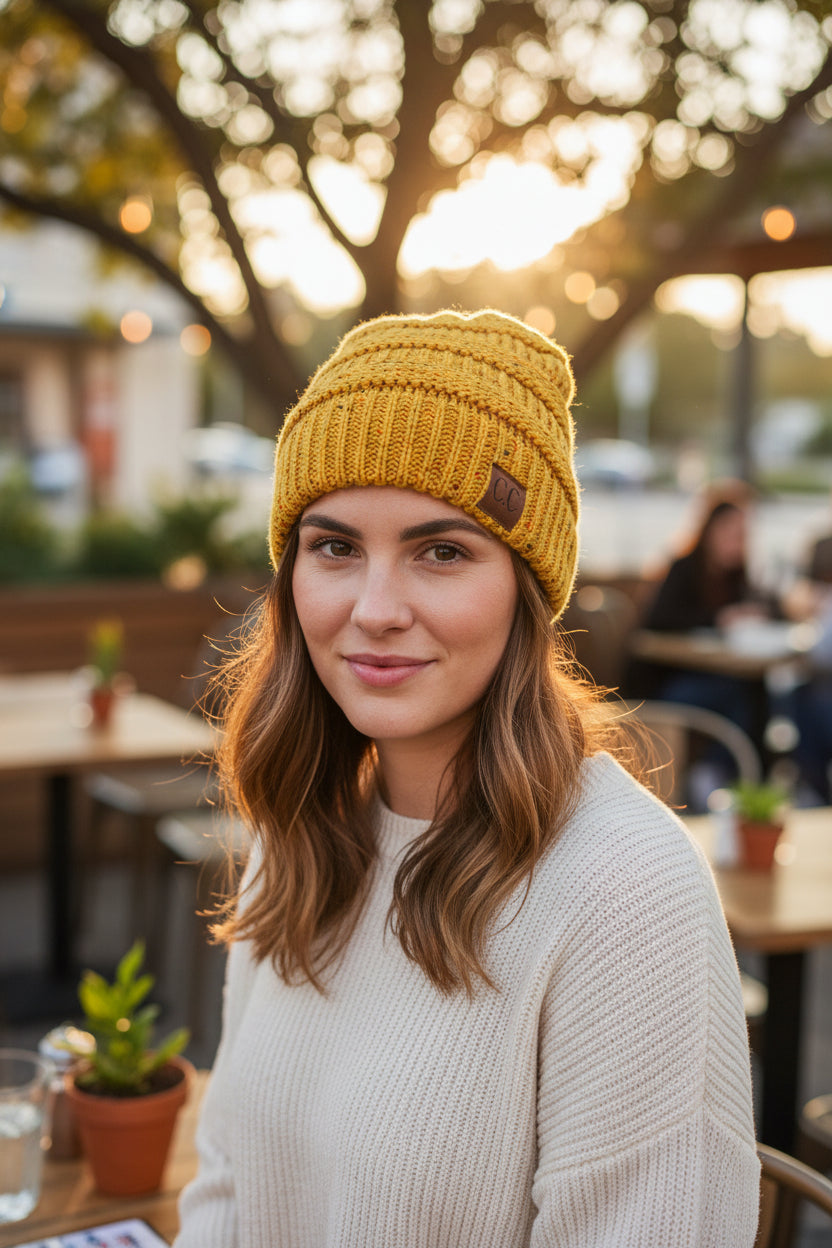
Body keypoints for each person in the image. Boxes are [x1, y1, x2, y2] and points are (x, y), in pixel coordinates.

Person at [174, 310, 759, 1247]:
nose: (375, 608)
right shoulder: (302, 829)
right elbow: (227, 1186)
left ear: (527, 590)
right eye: (335, 547)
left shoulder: (626, 894)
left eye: (442, 551)